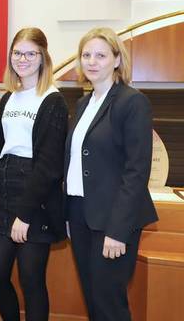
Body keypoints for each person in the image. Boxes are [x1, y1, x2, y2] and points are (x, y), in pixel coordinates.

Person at [65, 27, 158, 321]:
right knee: (94, 301)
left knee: (109, 304)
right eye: (86, 55)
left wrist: (118, 230)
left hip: (114, 220)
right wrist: (68, 214)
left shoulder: (132, 102)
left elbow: (137, 171)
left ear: (117, 60)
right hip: (81, 214)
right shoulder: (84, 103)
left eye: (101, 55)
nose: (92, 62)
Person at [0, 28, 68, 321]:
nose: (23, 59)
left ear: (43, 58)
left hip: (36, 197)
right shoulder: (9, 98)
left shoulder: (53, 100)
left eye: (31, 53)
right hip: (3, 192)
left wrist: (26, 214)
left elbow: (49, 164)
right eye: (17, 53)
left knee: (31, 280)